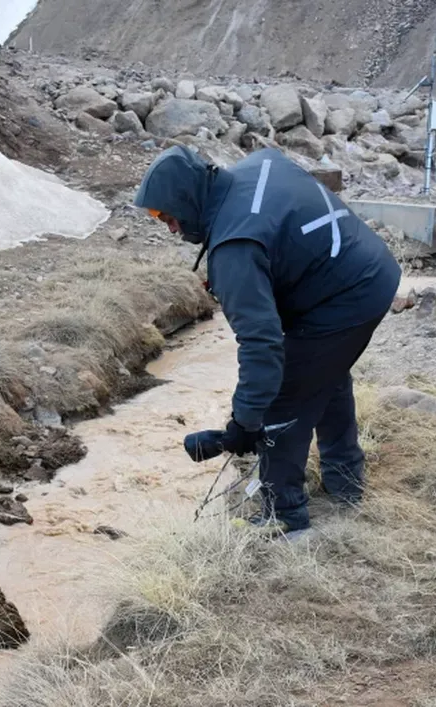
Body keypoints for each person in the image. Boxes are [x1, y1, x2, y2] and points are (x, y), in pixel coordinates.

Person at [133, 145, 400, 536]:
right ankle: (346, 483)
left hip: (346, 297)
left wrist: (245, 421)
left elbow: (262, 344)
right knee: (323, 375)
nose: (169, 227)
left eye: (167, 216)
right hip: (370, 269)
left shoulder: (234, 249)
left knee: (284, 402)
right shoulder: (258, 165)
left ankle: (285, 515)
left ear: (187, 199)